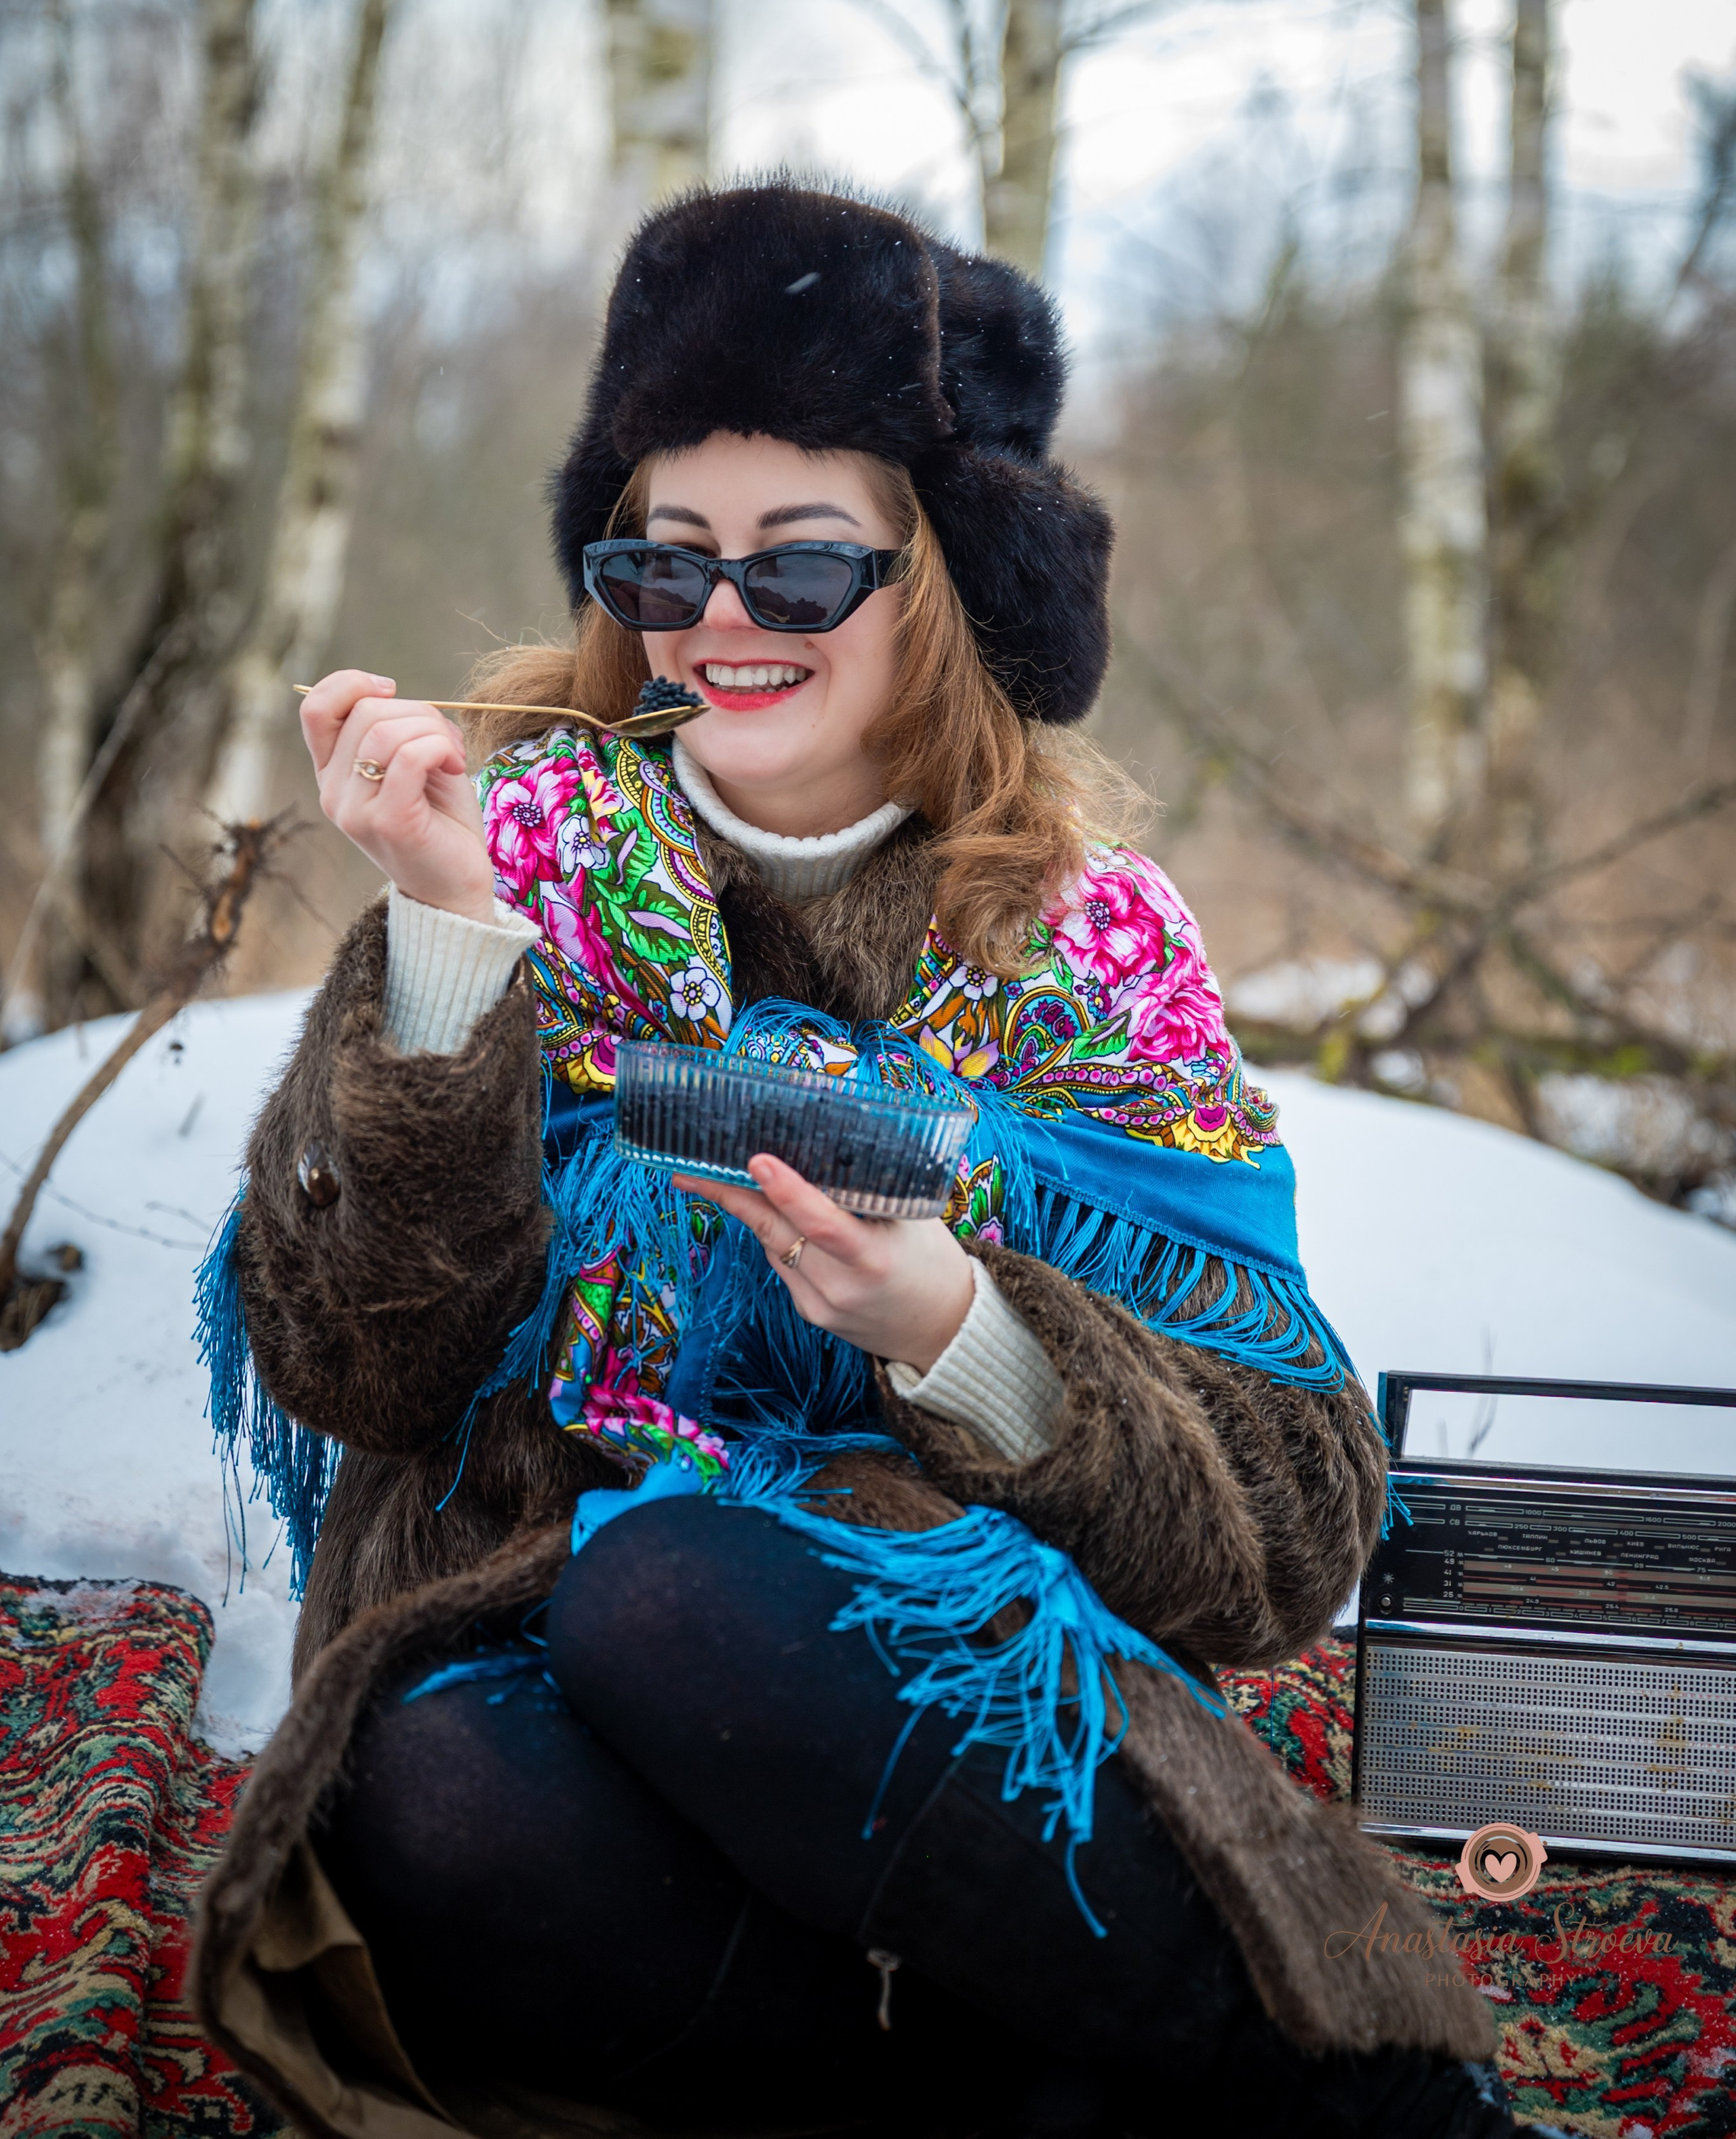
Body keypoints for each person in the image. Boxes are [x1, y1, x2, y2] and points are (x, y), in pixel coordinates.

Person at [193, 182, 1522, 2139]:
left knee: (684, 1586)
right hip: (553, 1699)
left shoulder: (1087, 948)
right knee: (421, 1788)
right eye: (667, 557)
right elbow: (353, 1366)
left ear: (949, 582)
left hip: (924, 1705)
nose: (721, 621)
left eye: (802, 570)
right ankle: (1024, 2085)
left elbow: (1295, 1522)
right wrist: (448, 944)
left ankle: (1347, 2097)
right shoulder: (501, 858)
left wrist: (966, 1331)